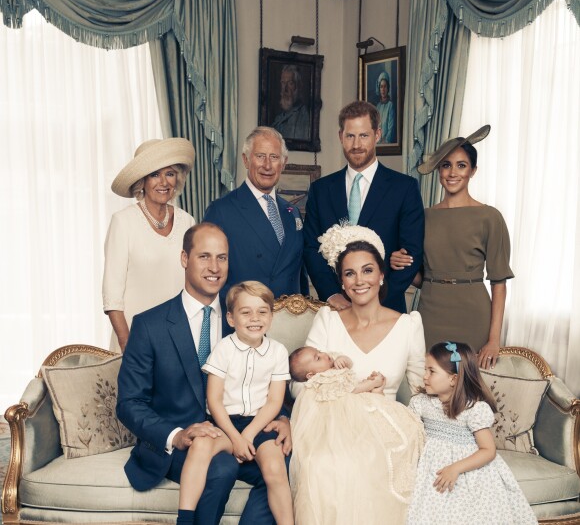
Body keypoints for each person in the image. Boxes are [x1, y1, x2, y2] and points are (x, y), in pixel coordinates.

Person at [116, 223, 292, 525]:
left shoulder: (243, 317)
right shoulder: (150, 325)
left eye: (222, 258)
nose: (214, 267)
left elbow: (265, 380)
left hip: (240, 431)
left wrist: (286, 419)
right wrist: (177, 435)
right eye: (204, 257)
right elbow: (129, 403)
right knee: (221, 468)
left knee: (285, 465)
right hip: (183, 443)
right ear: (185, 258)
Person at [291, 223, 426, 524]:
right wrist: (339, 393)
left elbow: (420, 392)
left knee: (369, 461)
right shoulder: (328, 319)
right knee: (322, 464)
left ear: (381, 275)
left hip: (386, 428)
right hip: (331, 428)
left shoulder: (408, 326)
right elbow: (299, 385)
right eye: (349, 273)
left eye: (367, 271)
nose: (359, 280)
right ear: (341, 282)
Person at [390, 125, 514, 369]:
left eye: (461, 165)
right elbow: (421, 277)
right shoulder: (423, 217)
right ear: (438, 170)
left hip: (473, 314)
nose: (452, 172)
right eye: (446, 165)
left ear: (473, 171)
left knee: (469, 389)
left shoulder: (490, 217)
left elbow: (499, 283)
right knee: (429, 385)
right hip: (431, 311)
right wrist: (399, 264)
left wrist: (493, 339)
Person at [177, 280, 292, 525]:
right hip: (224, 424)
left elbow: (274, 402)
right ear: (231, 319)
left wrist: (249, 434)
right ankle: (185, 518)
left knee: (276, 467)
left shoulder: (278, 352)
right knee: (200, 447)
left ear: (271, 316)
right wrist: (236, 437)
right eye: (245, 312)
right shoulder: (223, 349)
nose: (255, 318)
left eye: (262, 312)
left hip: (259, 424)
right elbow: (214, 400)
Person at [303, 100, 424, 314]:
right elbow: (311, 249)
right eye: (350, 136)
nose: (356, 144)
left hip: (387, 308)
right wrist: (332, 294)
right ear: (341, 136)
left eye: (364, 135)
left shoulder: (404, 188)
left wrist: (377, 298)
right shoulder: (321, 190)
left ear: (377, 135)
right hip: (336, 310)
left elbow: (411, 254)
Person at [407, 341, 537, 525]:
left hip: (465, 470)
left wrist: (456, 468)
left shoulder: (473, 409)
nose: (425, 376)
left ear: (453, 379)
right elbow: (403, 430)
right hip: (430, 468)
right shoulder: (421, 403)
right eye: (425, 370)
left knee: (464, 514)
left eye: (431, 371)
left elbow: (487, 450)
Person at [103, 137, 196, 352]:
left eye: (169, 173)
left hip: (177, 339)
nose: (163, 182)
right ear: (141, 181)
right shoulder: (123, 222)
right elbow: (112, 296)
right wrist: (128, 345)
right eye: (155, 174)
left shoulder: (188, 222)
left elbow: (192, 287)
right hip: (134, 340)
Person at [204, 127, 308, 314]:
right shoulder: (221, 211)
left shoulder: (292, 212)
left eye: (274, 157)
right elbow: (209, 276)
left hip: (290, 325)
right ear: (246, 160)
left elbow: (300, 276)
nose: (267, 166)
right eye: (260, 156)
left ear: (283, 163)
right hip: (244, 323)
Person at [271, 65, 310, 140]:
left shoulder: (304, 116)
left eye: (290, 83)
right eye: (283, 83)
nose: (285, 89)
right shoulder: (278, 118)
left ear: (298, 86)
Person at [376, 71, 395, 144]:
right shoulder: (378, 106)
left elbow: (391, 128)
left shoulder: (390, 105)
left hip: (386, 143)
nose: (383, 89)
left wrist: (386, 141)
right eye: (381, 87)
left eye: (385, 86)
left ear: (388, 88)